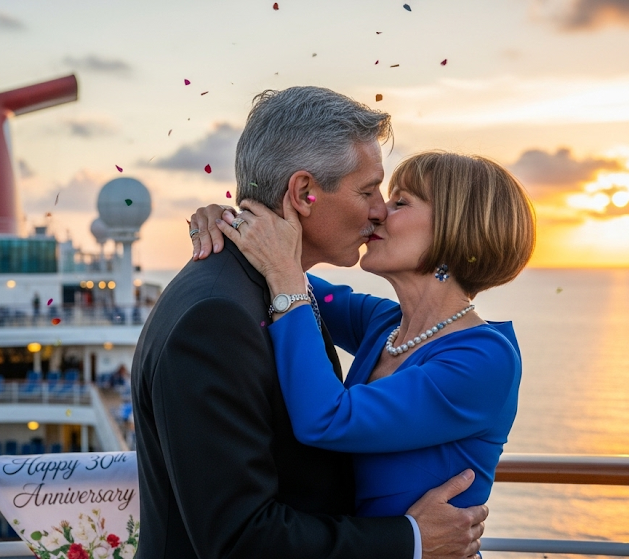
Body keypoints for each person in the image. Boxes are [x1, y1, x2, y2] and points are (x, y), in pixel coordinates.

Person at [132, 87, 487, 559]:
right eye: (368, 191)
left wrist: (237, 223)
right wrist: (411, 539)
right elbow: (239, 540)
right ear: (304, 192)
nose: (379, 210)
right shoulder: (216, 318)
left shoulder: (278, 287)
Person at [193, 151, 534, 520]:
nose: (379, 213)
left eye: (400, 201)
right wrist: (230, 223)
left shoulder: (483, 361)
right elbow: (290, 272)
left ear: (457, 228)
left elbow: (325, 419)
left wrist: (281, 270)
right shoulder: (385, 324)